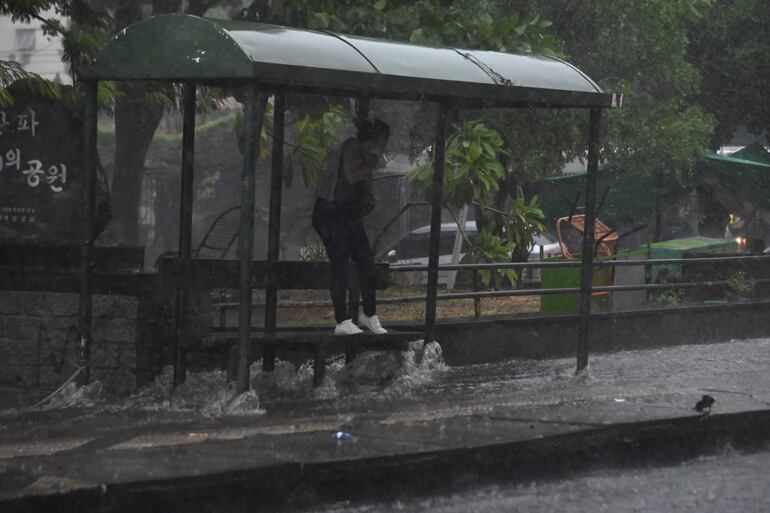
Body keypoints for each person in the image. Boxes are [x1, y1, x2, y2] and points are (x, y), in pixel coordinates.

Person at [312, 119, 390, 335]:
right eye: (376, 143)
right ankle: (342, 320)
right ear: (366, 140)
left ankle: (369, 314)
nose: (377, 150)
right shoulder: (351, 149)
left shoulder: (367, 156)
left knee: (366, 260)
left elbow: (362, 192)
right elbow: (351, 176)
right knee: (340, 260)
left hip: (347, 215)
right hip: (328, 213)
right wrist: (370, 165)